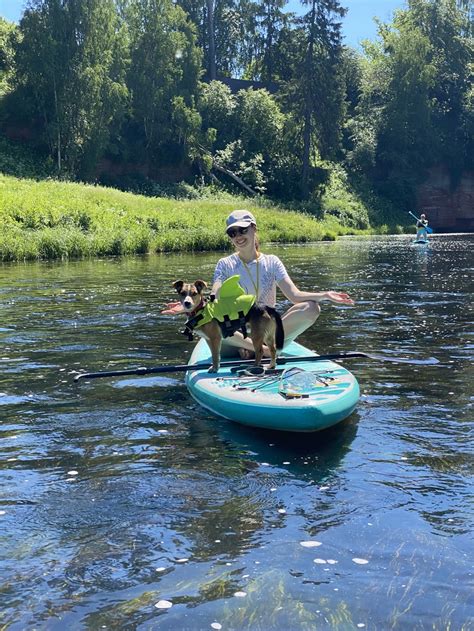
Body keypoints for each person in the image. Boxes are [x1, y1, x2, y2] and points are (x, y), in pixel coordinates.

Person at [208, 210, 354, 358]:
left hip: (266, 332)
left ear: (254, 228)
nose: (238, 236)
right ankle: (261, 350)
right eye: (232, 233)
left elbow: (295, 295)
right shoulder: (224, 264)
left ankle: (260, 348)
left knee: (311, 308)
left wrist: (325, 295)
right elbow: (215, 290)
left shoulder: (272, 262)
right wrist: (202, 303)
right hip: (236, 337)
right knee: (208, 318)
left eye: (242, 230)